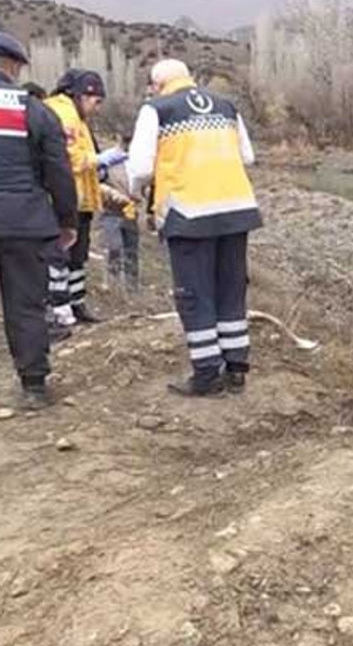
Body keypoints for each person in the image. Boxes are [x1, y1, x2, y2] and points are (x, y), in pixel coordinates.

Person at [126, 59, 263, 397]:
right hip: (236, 209)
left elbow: (141, 167)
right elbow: (247, 156)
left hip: (189, 213)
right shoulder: (226, 106)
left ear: (157, 84)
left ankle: (206, 374)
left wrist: (139, 190)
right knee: (230, 289)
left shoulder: (156, 109)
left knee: (194, 293)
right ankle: (236, 370)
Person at [0, 31, 78, 413]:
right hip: (25, 222)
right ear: (14, 66)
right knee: (26, 306)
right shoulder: (35, 110)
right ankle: (33, 386)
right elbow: (59, 171)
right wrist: (66, 220)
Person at [44, 69, 107, 326]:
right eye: (96, 101)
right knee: (61, 255)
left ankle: (76, 302)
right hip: (62, 198)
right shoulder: (63, 114)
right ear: (81, 94)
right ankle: (60, 309)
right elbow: (70, 159)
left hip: (79, 199)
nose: (97, 108)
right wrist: (98, 160)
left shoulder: (77, 117)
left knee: (77, 256)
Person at [100, 135, 140, 292]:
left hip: (131, 211)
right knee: (113, 247)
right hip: (111, 210)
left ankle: (132, 289)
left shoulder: (137, 159)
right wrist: (113, 194)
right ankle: (112, 285)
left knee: (132, 251)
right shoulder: (109, 158)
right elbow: (97, 182)